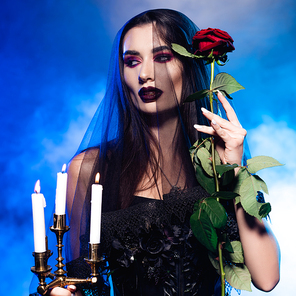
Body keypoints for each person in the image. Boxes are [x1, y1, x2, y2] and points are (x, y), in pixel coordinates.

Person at [49, 9, 280, 296]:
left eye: (162, 57)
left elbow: (267, 278)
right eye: (132, 62)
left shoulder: (217, 162)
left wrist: (234, 171)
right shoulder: (91, 168)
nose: (145, 74)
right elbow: (79, 281)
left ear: (189, 65)